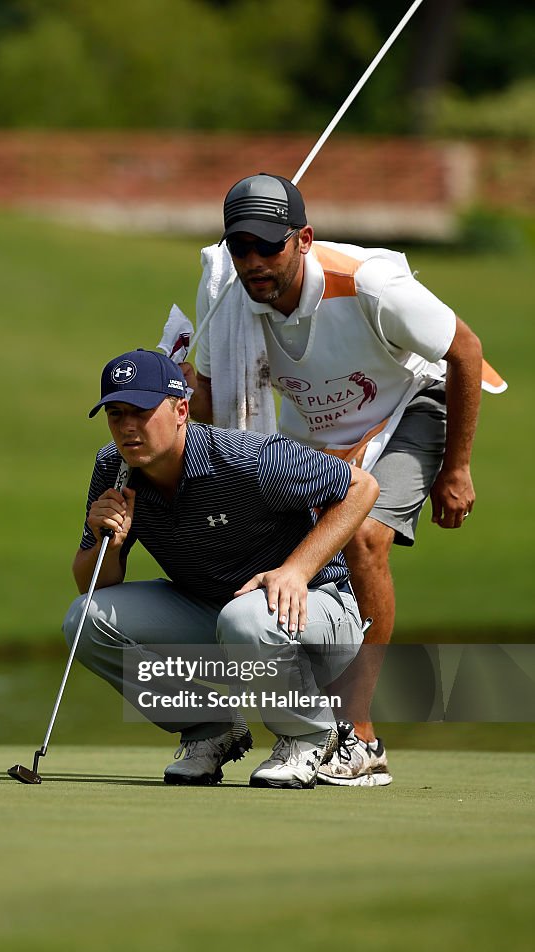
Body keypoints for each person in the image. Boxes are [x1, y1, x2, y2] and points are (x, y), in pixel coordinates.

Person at [184, 172, 485, 786]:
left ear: (304, 239)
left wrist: (456, 468)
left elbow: (466, 351)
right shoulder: (226, 297)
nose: (252, 262)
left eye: (269, 246)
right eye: (240, 248)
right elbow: (212, 401)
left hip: (409, 405)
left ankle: (358, 735)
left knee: (364, 537)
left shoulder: (371, 286)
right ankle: (284, 726)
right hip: (317, 432)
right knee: (277, 549)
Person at [63, 348, 379, 789]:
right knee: (85, 619)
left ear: (181, 410)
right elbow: (95, 582)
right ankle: (210, 728)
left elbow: (362, 487)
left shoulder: (248, 459)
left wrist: (296, 570)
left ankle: (310, 735)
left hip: (316, 617)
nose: (127, 427)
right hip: (220, 617)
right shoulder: (114, 468)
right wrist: (106, 542)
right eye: (116, 414)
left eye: (140, 411)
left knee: (243, 619)